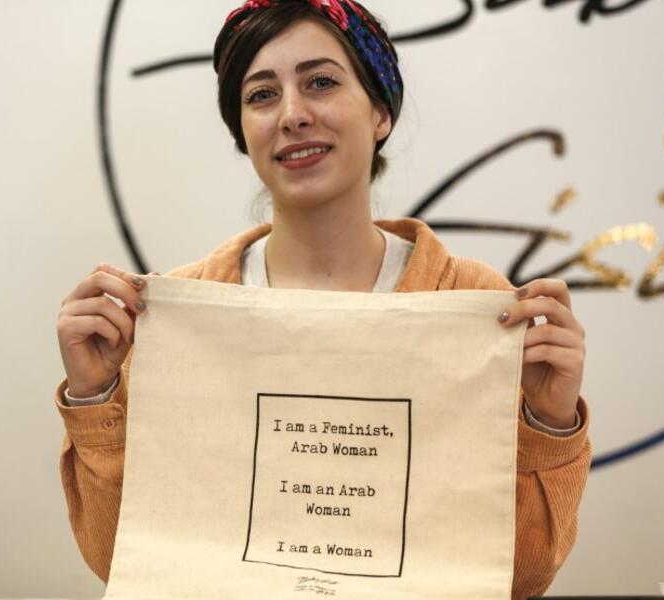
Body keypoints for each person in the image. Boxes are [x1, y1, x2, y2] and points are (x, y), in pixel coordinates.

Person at [54, 1, 590, 599]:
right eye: (261, 95)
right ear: (242, 131)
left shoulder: (480, 306)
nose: (292, 114)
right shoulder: (171, 321)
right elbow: (127, 562)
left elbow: (519, 576)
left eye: (322, 82)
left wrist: (548, 422)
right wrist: (95, 397)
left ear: (381, 111)